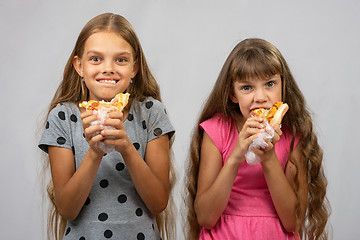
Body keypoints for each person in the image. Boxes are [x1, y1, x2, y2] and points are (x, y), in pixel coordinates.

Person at [39, 13, 176, 240]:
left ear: (134, 68)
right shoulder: (62, 117)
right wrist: (95, 152)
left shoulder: (151, 112)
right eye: (96, 59)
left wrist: (127, 148)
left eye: (121, 60)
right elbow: (67, 209)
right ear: (79, 66)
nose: (108, 68)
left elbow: (158, 202)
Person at [184, 38, 330, 240]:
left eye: (270, 84)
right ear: (232, 94)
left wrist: (268, 157)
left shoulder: (293, 135)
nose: (260, 97)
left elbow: (292, 222)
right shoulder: (217, 131)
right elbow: (206, 217)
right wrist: (236, 155)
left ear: (282, 85)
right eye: (247, 88)